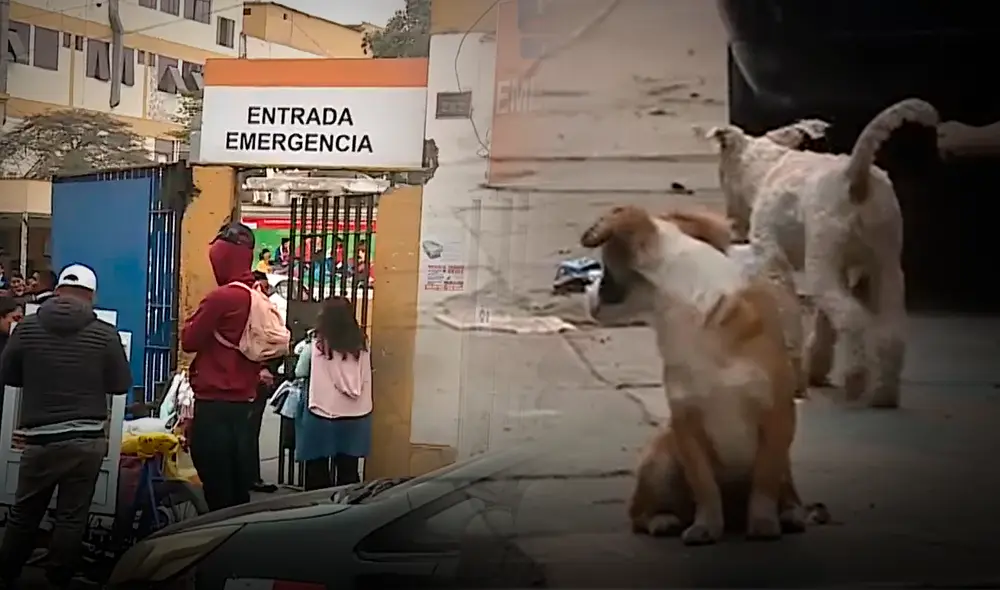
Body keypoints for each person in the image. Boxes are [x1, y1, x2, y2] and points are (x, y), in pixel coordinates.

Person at [0, 264, 131, 588]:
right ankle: (58, 578)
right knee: (72, 516)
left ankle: (6, 575)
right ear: (91, 296)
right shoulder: (104, 333)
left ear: (57, 290)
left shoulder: (27, 328)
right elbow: (120, 385)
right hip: (87, 442)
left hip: (41, 440)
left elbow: (8, 376)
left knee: (25, 514)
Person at [180, 222, 266, 511]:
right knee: (237, 489)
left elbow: (189, 341)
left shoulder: (222, 298)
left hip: (214, 405)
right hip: (244, 404)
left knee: (216, 488)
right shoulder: (257, 297)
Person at [294, 296, 372, 490]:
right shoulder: (361, 345)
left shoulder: (317, 345)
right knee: (348, 469)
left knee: (317, 468)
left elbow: (300, 371)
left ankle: (318, 510)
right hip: (356, 413)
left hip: (321, 410)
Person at [247, 271, 278, 494]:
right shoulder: (245, 311)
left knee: (251, 429)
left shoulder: (267, 312)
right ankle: (247, 476)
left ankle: (250, 476)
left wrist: (268, 369)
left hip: (259, 380)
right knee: (245, 430)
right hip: (245, 379)